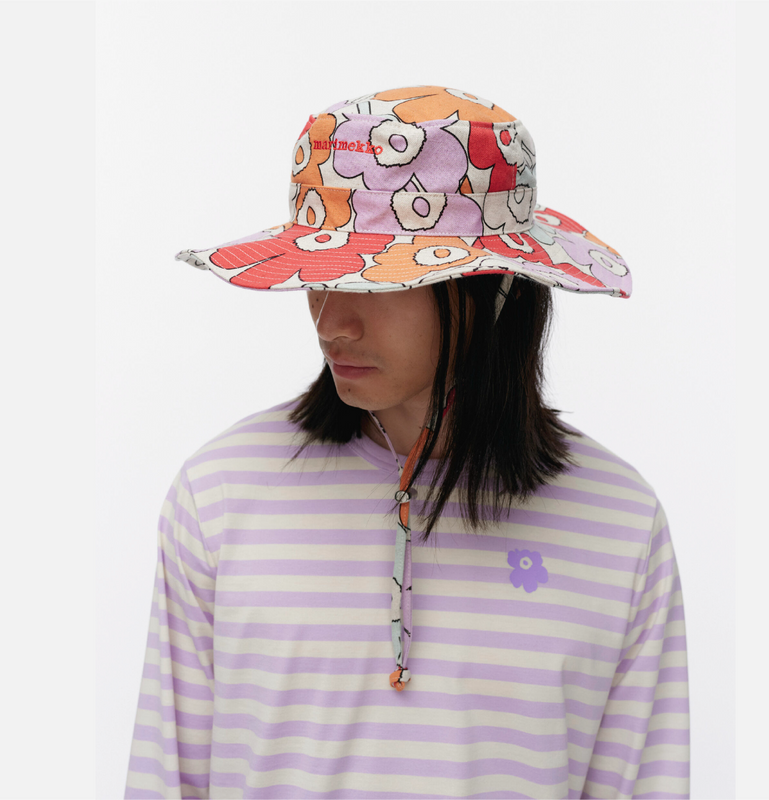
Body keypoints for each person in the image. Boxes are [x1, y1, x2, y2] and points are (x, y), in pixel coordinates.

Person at [124, 85, 689, 799]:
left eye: (378, 284)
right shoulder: (221, 495)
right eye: (320, 276)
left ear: (494, 290)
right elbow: (167, 780)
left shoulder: (618, 522)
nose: (331, 323)